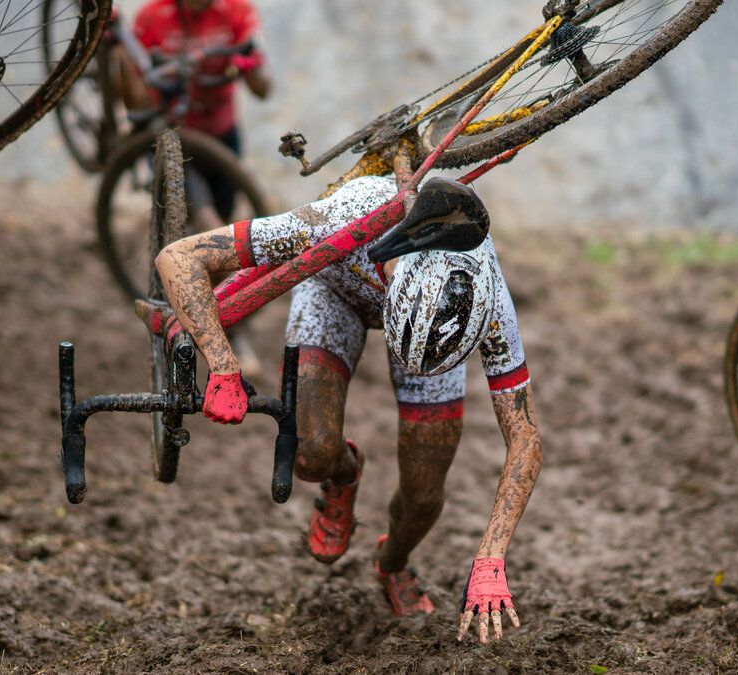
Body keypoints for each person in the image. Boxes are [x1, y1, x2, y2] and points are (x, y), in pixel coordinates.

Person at [149, 174, 542, 644]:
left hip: (430, 343)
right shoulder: (339, 218)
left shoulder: (490, 298)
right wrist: (223, 366)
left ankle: (392, 562)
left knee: (423, 494)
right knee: (311, 453)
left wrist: (492, 557)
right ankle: (343, 473)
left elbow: (525, 436)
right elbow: (177, 257)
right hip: (334, 291)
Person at [118, 0, 271, 230]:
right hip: (172, 134)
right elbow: (136, 102)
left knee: (223, 213)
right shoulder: (152, 16)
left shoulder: (237, 10)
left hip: (222, 133)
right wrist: (121, 59)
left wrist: (251, 65)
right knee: (202, 218)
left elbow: (263, 90)